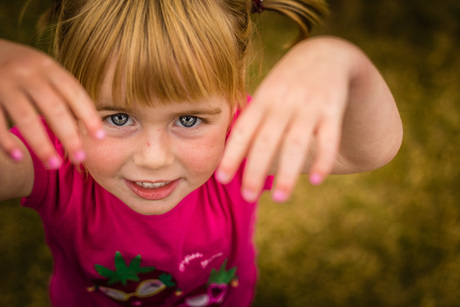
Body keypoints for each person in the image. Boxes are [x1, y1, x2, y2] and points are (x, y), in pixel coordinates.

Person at [0, 0, 403, 306]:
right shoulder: (54, 155)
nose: (153, 158)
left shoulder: (241, 141)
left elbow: (367, 152)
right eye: (119, 118)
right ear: (68, 95)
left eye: (189, 120)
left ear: (232, 99)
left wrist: (344, 61)